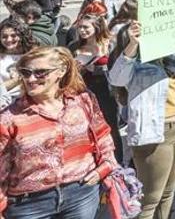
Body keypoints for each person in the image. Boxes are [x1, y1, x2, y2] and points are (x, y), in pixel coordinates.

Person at [0, 46, 118, 218]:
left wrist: (105, 167)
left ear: (61, 71)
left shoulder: (83, 100)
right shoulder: (9, 118)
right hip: (29, 205)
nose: (31, 79)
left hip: (81, 195)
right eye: (26, 73)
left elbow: (102, 135)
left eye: (40, 72)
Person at [109, 16, 175, 219]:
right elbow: (116, 77)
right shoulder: (135, 65)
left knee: (168, 193)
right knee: (149, 201)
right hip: (155, 134)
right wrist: (133, 45)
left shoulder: (169, 59)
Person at [68, 13, 122, 162]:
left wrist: (95, 69)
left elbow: (118, 69)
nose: (82, 31)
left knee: (110, 126)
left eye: (85, 27)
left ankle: (115, 160)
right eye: (79, 27)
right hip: (82, 91)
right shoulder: (74, 46)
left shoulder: (110, 44)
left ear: (96, 27)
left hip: (106, 91)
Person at [0, 17, 35, 109]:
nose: (8, 40)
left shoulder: (32, 55)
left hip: (27, 104)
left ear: (22, 36)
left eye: (13, 35)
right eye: (4, 36)